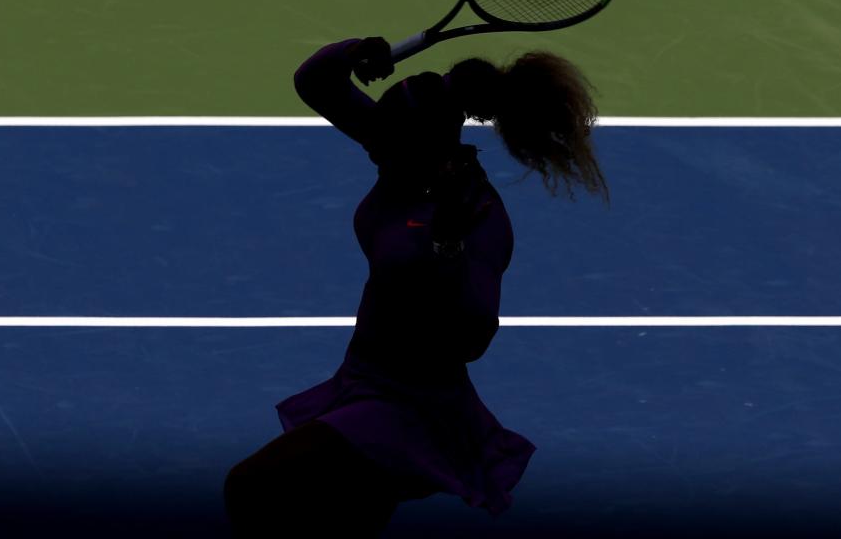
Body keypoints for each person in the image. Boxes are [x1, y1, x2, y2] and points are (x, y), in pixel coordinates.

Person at [223, 37, 608, 537]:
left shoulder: (479, 219)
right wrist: (358, 50)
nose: (372, 149)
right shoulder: (397, 146)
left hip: (409, 405)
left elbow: (471, 339)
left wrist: (446, 246)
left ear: (431, 151)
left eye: (387, 144)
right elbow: (315, 82)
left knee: (251, 488)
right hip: (362, 375)